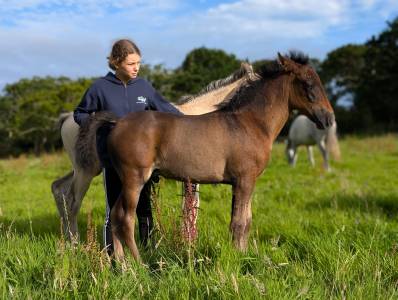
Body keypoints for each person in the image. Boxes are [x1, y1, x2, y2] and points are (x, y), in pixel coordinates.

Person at [73, 39, 181, 256]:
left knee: (144, 209)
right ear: (115, 62)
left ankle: (149, 253)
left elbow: (166, 109)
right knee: (114, 209)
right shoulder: (99, 88)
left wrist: (192, 123)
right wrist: (102, 124)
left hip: (144, 161)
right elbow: (80, 113)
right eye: (131, 64)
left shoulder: (143, 87)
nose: (136, 68)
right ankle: (112, 257)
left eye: (138, 63)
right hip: (112, 159)